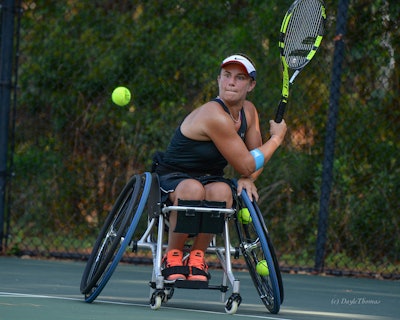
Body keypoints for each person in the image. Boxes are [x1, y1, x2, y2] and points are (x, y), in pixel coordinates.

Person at [154, 53, 287, 282]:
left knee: (223, 192)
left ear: (251, 85)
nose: (231, 82)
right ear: (218, 80)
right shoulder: (213, 114)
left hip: (210, 178)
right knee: (193, 189)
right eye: (226, 75)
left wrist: (248, 179)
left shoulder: (249, 112)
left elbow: (253, 162)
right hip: (174, 176)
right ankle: (173, 255)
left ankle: (197, 257)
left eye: (240, 77)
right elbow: (248, 162)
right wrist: (276, 140)